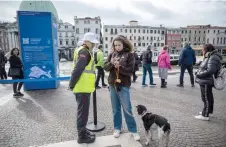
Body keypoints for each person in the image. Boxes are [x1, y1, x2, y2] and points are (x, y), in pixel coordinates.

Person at [104, 35, 140, 141]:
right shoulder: (112, 54)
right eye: (115, 45)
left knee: (127, 109)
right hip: (112, 84)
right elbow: (105, 67)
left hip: (123, 84)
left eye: (119, 45)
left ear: (124, 44)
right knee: (115, 109)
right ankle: (117, 128)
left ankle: (133, 130)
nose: (117, 47)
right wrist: (111, 64)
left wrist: (119, 66)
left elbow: (130, 71)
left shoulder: (130, 55)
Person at [69, 32, 98, 144]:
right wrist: (72, 84)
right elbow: (78, 69)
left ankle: (83, 131)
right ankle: (81, 136)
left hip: (83, 86)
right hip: (82, 87)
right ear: (86, 42)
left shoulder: (81, 50)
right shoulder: (84, 52)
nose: (94, 45)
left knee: (83, 112)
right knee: (83, 113)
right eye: (92, 43)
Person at [195, 44, 222, 121]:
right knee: (208, 97)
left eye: (203, 49)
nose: (202, 51)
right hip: (206, 80)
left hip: (206, 80)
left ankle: (205, 115)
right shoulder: (211, 56)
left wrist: (199, 74)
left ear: (207, 50)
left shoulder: (212, 57)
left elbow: (210, 70)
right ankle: (208, 111)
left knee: (206, 98)